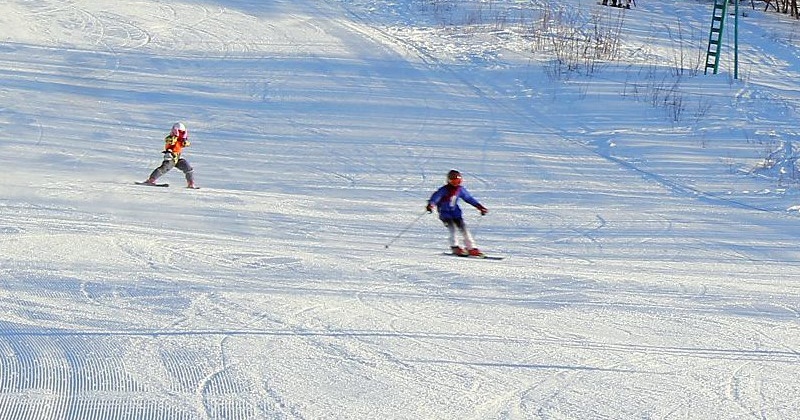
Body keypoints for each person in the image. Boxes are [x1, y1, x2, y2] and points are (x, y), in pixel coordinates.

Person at [426, 169, 488, 256]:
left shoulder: (460, 190)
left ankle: (471, 248)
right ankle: (455, 247)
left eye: (458, 181)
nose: (456, 183)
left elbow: (469, 198)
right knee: (453, 229)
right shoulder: (444, 190)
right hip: (445, 214)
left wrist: (479, 207)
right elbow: (436, 197)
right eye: (454, 181)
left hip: (456, 213)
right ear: (449, 181)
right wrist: (431, 205)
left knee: (464, 230)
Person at [142, 122, 197, 188]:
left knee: (187, 167)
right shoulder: (171, 137)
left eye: (182, 132)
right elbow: (168, 140)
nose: (180, 133)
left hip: (177, 158)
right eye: (179, 131)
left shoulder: (181, 140)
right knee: (165, 168)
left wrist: (185, 142)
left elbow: (187, 144)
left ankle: (191, 183)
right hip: (170, 157)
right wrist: (173, 138)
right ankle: (151, 180)